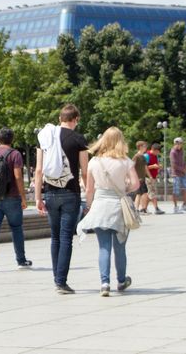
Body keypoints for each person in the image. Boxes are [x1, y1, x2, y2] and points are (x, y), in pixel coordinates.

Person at [77, 127, 140, 297]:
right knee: (120, 247)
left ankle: (104, 283)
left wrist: (89, 207)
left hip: (100, 205)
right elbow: (136, 184)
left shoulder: (94, 162)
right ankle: (121, 280)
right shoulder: (125, 161)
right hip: (118, 206)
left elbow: (89, 189)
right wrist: (123, 189)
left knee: (103, 247)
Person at [35, 104, 89, 293]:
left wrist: (37, 198)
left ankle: (56, 278)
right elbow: (84, 171)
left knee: (55, 237)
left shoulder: (46, 138)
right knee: (66, 237)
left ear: (60, 119)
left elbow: (39, 169)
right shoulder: (79, 140)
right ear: (76, 119)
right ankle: (61, 281)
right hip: (70, 193)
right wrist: (89, 193)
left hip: (49, 192)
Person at [0, 127, 32, 273]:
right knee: (16, 228)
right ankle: (21, 260)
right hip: (12, 197)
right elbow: (18, 177)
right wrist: (23, 197)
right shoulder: (15, 154)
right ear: (12, 139)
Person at [170, 137, 186, 213]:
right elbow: (174, 165)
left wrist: (185, 167)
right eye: (180, 143)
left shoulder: (181, 151)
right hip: (176, 174)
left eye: (182, 143)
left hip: (183, 173)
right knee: (176, 191)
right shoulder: (173, 152)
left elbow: (183, 161)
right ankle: (175, 207)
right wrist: (183, 170)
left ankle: (184, 205)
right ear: (176, 143)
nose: (182, 145)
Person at [145, 143, 165, 214]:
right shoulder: (147, 156)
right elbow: (144, 167)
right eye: (158, 151)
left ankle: (144, 208)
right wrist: (153, 166)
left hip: (153, 177)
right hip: (148, 177)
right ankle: (156, 208)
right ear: (154, 150)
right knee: (152, 192)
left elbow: (155, 165)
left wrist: (158, 166)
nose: (159, 153)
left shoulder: (155, 156)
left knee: (149, 193)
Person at [132, 141, 150, 213]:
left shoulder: (143, 157)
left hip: (143, 178)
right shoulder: (136, 156)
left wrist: (150, 176)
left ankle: (142, 208)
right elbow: (131, 166)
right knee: (140, 193)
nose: (146, 147)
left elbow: (146, 168)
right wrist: (133, 177)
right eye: (144, 146)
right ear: (140, 147)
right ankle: (137, 208)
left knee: (142, 193)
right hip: (138, 178)